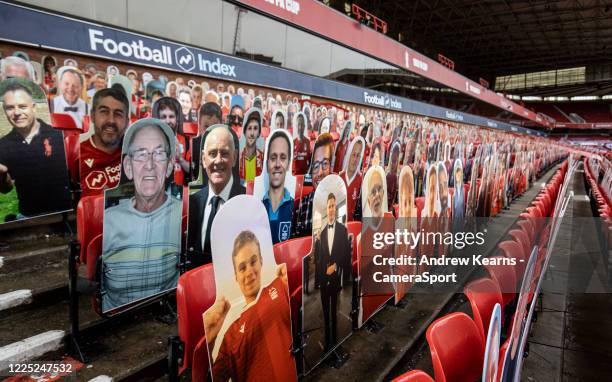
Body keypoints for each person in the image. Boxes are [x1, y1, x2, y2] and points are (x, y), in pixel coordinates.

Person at [101, 118, 181, 312]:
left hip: (165, 317)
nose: (150, 164)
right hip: (115, 325)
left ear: (170, 165)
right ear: (128, 167)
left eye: (159, 154)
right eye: (141, 154)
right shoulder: (108, 220)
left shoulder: (183, 215)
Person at [203, 230, 297, 382]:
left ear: (261, 261)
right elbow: (214, 377)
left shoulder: (280, 285)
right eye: (242, 268)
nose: (249, 273)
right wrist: (209, 341)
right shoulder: (230, 336)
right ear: (236, 276)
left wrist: (292, 277)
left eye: (253, 261)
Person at [0, 80, 71, 218]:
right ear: (4, 111)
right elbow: (5, 190)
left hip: (63, 213)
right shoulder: (3, 145)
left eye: (22, 106)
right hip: (29, 215)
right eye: (10, 108)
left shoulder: (58, 135)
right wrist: (2, 177)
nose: (16, 112)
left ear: (33, 107)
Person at [187, 125, 245, 267]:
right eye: (212, 153)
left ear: (235, 157)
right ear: (203, 158)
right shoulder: (193, 202)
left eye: (224, 153)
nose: (218, 160)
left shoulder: (246, 202)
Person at [314, 192, 351, 352]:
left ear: (336, 208)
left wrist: (335, 266)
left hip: (335, 277)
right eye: (329, 206)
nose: (331, 209)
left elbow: (345, 255)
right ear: (326, 209)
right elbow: (318, 259)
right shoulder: (321, 234)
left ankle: (335, 342)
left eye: (333, 206)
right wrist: (316, 244)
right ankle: (327, 343)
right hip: (323, 279)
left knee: (334, 311)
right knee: (325, 313)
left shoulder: (343, 230)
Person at [79, 85, 130, 196]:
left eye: (118, 114)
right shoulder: (76, 155)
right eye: (104, 112)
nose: (111, 120)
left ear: (127, 121)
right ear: (92, 116)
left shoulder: (135, 151)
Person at [292, 133, 334, 238]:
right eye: (315, 166)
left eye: (325, 164)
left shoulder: (341, 203)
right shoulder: (301, 207)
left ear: (331, 168)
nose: (320, 172)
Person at [261, 130, 294, 244]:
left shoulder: (295, 209)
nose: (278, 164)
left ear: (289, 163)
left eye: (283, 158)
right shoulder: (256, 208)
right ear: (266, 163)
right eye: (273, 158)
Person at [152, 97, 190, 185]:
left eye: (171, 116)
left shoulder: (186, 141)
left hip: (178, 193)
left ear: (177, 119)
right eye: (163, 117)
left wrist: (180, 158)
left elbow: (194, 172)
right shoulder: (150, 141)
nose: (168, 121)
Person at [339, 137, 364, 221]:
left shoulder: (361, 181)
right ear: (349, 155)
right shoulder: (339, 178)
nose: (355, 159)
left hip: (352, 227)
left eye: (358, 156)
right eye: (353, 155)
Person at [239, 109, 264, 183]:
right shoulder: (238, 158)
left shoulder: (263, 158)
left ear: (259, 133)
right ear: (244, 131)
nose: (252, 133)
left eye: (255, 128)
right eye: (249, 128)